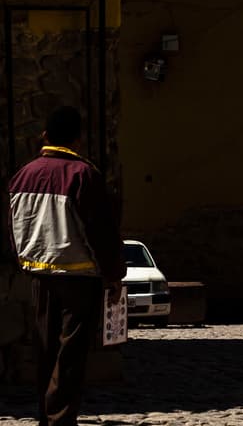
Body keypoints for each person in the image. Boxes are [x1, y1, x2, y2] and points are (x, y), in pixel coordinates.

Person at [7, 106, 125, 426]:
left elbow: (14, 225)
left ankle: (46, 415)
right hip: (78, 275)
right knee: (70, 351)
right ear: (78, 138)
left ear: (44, 135)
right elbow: (100, 230)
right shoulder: (83, 175)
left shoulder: (23, 174)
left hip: (38, 273)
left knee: (45, 347)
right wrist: (114, 274)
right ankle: (59, 417)